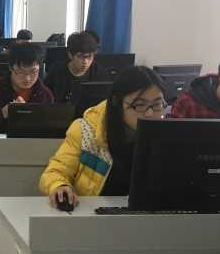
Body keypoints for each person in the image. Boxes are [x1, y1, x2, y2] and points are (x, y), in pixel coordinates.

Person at [39, 66, 167, 207]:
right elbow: (56, 171)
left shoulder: (169, 137)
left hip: (148, 215)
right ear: (117, 103)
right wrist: (59, 186)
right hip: (93, 213)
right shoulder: (86, 131)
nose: (149, 113)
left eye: (157, 104)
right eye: (140, 105)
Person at [0, 43, 54, 136]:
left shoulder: (45, 95)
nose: (27, 78)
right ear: (10, 68)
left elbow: (50, 133)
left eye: (33, 72)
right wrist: (3, 113)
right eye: (21, 72)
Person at [44, 31, 110, 102]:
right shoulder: (56, 71)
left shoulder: (99, 73)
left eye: (89, 56)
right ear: (70, 55)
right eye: (80, 56)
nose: (85, 61)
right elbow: (47, 99)